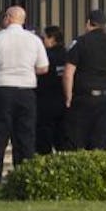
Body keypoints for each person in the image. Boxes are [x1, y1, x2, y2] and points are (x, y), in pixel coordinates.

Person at [0, 6, 49, 183]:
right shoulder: (34, 40)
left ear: (9, 18)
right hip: (26, 91)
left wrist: (0, 68)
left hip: (3, 90)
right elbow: (43, 68)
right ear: (22, 20)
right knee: (25, 137)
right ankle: (24, 178)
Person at [63, 9, 106, 151]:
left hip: (83, 97)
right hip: (105, 99)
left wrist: (68, 96)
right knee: (99, 143)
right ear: (104, 25)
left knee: (77, 142)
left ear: (88, 23)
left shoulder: (80, 42)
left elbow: (68, 73)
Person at [35, 25, 68, 154]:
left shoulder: (45, 56)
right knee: (62, 141)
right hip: (64, 102)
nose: (42, 41)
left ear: (52, 39)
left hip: (45, 102)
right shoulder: (68, 55)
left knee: (44, 142)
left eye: (44, 38)